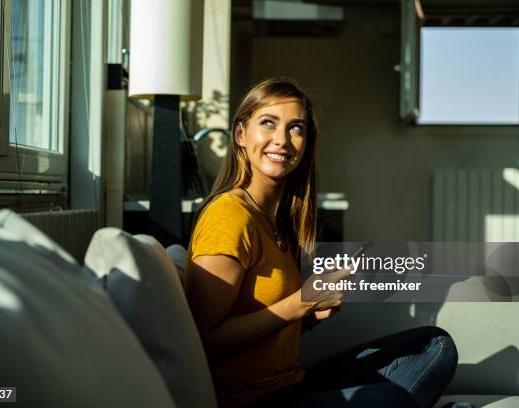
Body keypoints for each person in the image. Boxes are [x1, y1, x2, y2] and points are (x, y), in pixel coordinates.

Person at [185, 77, 458, 408]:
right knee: (385, 398)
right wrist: (300, 302)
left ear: (306, 143)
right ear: (241, 134)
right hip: (249, 400)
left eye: (296, 128)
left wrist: (310, 318)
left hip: (292, 383)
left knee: (435, 345)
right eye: (268, 123)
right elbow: (203, 340)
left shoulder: (278, 221)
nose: (282, 139)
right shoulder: (229, 216)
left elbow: (264, 333)